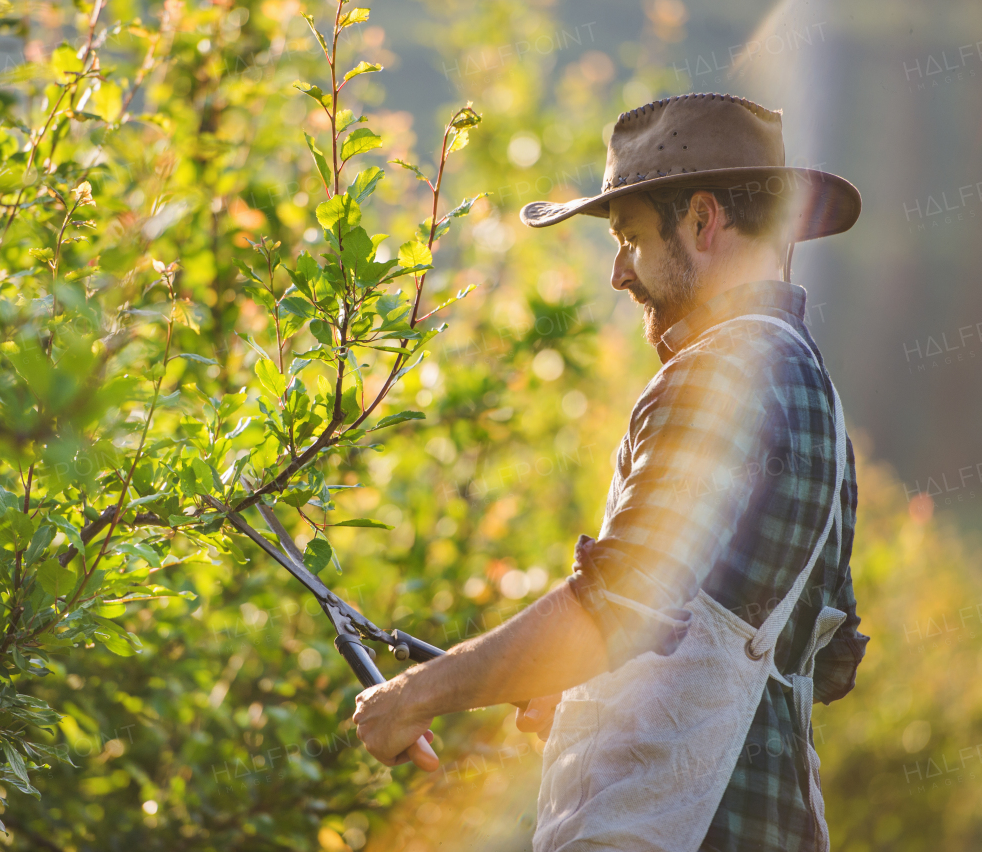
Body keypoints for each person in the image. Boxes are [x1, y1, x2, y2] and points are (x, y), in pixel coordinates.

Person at [353, 92, 870, 852]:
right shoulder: (814, 391)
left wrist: (413, 694)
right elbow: (822, 659)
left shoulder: (717, 375)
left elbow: (619, 604)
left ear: (702, 220)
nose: (618, 275)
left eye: (628, 238)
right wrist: (594, 683)